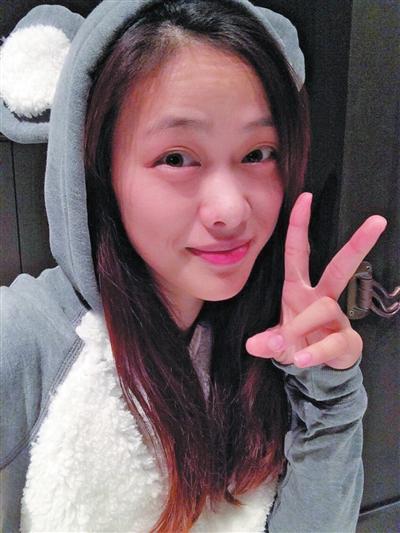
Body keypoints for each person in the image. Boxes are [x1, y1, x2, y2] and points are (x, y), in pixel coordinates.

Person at [0, 0, 387, 531]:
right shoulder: (24, 340)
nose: (231, 209)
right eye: (177, 158)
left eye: (258, 153)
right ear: (99, 172)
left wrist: (330, 397)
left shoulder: (269, 342)